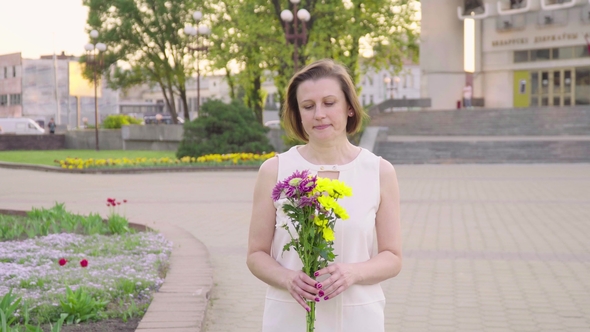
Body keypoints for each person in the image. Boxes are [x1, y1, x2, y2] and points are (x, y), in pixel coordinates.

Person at [247, 59, 402, 332]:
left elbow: (392, 257)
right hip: (289, 317)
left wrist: (355, 272)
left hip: (357, 317)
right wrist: (287, 278)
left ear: (350, 108)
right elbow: (256, 254)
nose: (319, 114)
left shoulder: (379, 171)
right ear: (299, 114)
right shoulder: (275, 170)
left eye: (329, 103)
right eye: (308, 106)